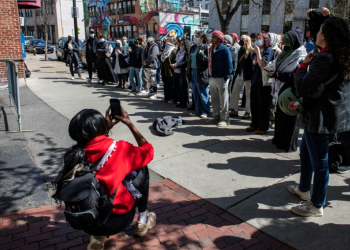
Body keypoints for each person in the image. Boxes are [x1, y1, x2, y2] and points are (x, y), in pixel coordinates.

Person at [52, 107, 156, 249]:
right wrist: (130, 124)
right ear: (101, 127)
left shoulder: (75, 154)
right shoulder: (119, 149)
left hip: (89, 221)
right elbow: (148, 151)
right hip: (119, 221)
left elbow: (92, 142)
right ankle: (143, 221)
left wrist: (104, 129)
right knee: (142, 167)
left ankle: (97, 237)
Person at [288, 14, 350, 217]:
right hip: (324, 115)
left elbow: (303, 86)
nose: (317, 32)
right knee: (306, 154)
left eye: (321, 29)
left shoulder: (325, 58)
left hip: (319, 117)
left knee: (320, 163)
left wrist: (303, 65)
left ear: (327, 35)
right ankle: (304, 189)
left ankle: (316, 204)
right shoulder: (338, 56)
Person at [269, 30, 307, 152]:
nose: (285, 45)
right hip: (280, 89)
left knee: (290, 119)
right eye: (284, 43)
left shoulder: (301, 55)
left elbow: (297, 75)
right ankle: (279, 139)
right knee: (280, 116)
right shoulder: (283, 54)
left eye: (288, 43)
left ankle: (288, 144)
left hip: (292, 91)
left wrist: (277, 75)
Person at [246, 32, 274, 134]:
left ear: (265, 40)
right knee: (254, 104)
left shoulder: (268, 50)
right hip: (255, 80)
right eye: (256, 38)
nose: (257, 40)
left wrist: (258, 52)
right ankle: (254, 124)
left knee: (263, 105)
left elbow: (263, 64)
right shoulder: (254, 51)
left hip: (264, 82)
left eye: (259, 38)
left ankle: (263, 126)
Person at [206, 30, 233, 127]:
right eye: (212, 37)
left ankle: (225, 119)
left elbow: (229, 64)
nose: (211, 39)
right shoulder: (211, 49)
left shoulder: (224, 49)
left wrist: (227, 76)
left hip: (222, 77)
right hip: (213, 76)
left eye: (213, 37)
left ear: (219, 38)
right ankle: (216, 116)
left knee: (224, 99)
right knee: (214, 99)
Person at [186, 31, 210, 118]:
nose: (194, 38)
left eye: (196, 36)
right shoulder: (193, 47)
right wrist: (188, 73)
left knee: (203, 93)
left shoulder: (206, 47)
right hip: (193, 71)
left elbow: (207, 61)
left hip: (201, 73)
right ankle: (197, 110)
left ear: (202, 38)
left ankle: (205, 111)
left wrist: (201, 54)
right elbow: (189, 61)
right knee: (195, 93)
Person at [229, 35, 254, 119]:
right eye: (241, 39)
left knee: (248, 93)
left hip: (248, 75)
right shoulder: (240, 50)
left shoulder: (251, 51)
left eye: (243, 39)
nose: (241, 40)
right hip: (240, 73)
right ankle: (234, 109)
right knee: (235, 90)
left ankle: (248, 111)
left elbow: (252, 65)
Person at [171, 38, 189, 108]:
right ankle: (180, 101)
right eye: (180, 44)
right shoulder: (178, 51)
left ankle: (184, 102)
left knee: (183, 87)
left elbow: (185, 62)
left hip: (182, 71)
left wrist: (176, 65)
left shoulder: (187, 52)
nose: (181, 45)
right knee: (177, 87)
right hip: (176, 71)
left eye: (183, 44)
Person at [143, 33, 160, 99]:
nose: (149, 38)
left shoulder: (155, 46)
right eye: (149, 37)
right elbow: (144, 54)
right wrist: (144, 61)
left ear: (153, 39)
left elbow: (152, 56)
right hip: (147, 66)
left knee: (153, 80)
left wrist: (147, 62)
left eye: (150, 37)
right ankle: (150, 92)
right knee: (148, 80)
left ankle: (154, 93)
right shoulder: (147, 46)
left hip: (152, 66)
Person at [160, 37, 177, 103]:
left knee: (171, 85)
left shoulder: (173, 50)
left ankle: (172, 98)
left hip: (170, 71)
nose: (166, 42)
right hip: (164, 70)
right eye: (166, 41)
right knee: (165, 84)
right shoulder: (165, 50)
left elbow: (174, 60)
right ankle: (166, 97)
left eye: (168, 41)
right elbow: (162, 59)